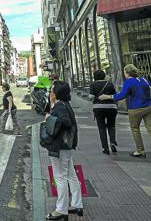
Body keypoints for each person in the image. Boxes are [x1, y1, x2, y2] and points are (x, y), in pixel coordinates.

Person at [99, 64, 151, 163]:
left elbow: (122, 95)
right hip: (150, 107)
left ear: (127, 73)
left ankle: (140, 151)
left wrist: (108, 97)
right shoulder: (143, 79)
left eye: (125, 72)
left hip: (135, 109)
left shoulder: (129, 82)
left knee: (135, 129)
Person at [45, 81, 83, 220]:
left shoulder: (60, 107)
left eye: (51, 91)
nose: (50, 93)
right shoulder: (65, 104)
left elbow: (64, 122)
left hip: (60, 146)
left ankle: (61, 210)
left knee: (60, 177)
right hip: (66, 146)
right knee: (71, 174)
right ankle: (76, 204)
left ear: (56, 94)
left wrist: (49, 119)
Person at [89, 70, 118, 155]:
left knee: (101, 127)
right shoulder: (109, 84)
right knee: (111, 125)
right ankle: (112, 142)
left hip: (98, 107)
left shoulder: (93, 84)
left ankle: (105, 148)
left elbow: (91, 97)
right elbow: (114, 95)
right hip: (112, 107)